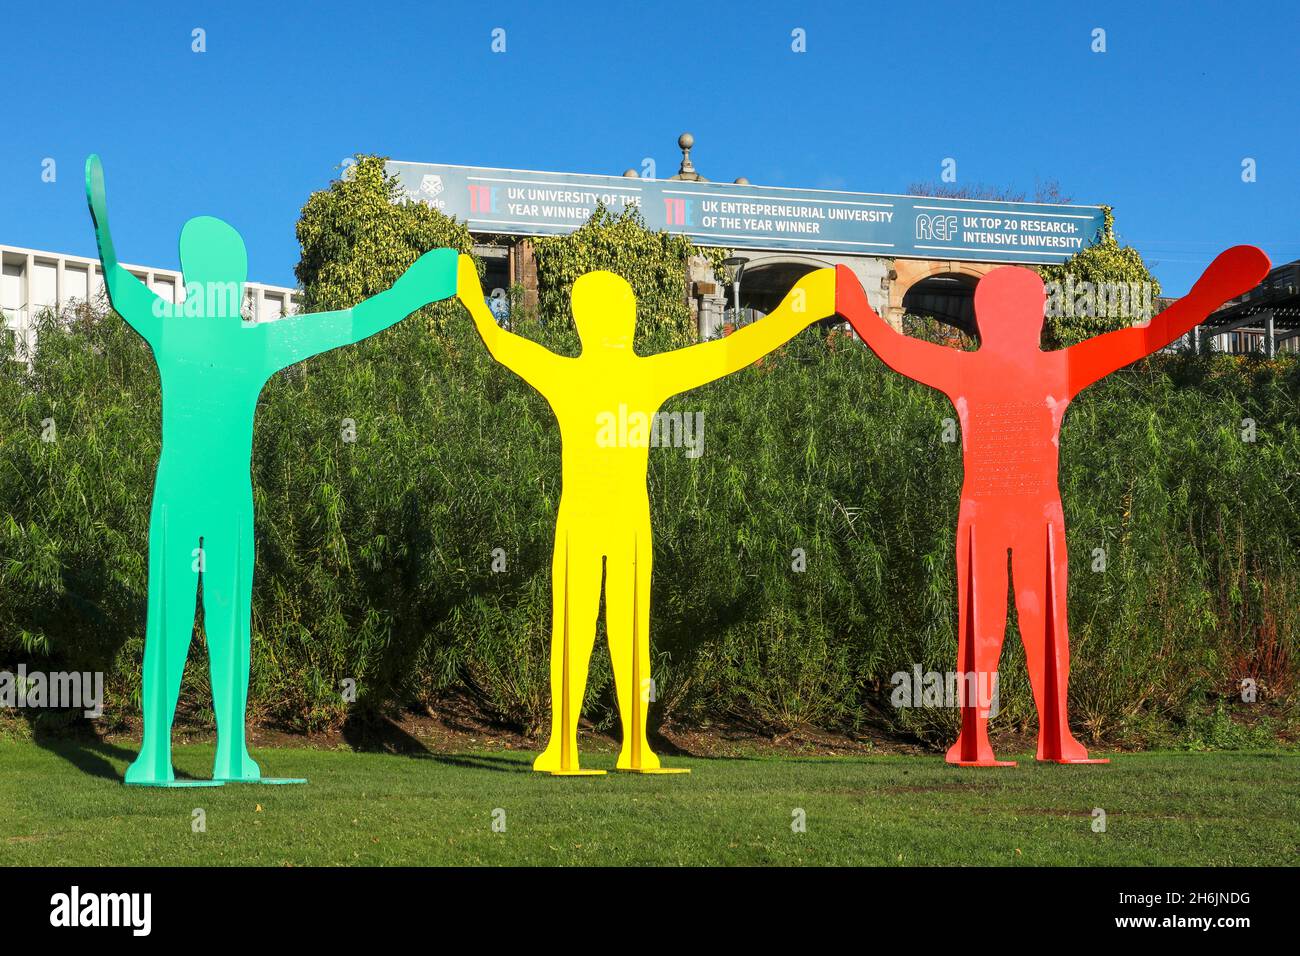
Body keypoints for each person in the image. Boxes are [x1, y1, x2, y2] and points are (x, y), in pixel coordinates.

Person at [86, 154, 459, 786]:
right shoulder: (251, 341)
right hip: (225, 503)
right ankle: (224, 753)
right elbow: (348, 324)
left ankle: (163, 753)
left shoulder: (170, 327)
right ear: (228, 281)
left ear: (188, 276)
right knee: (228, 622)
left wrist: (102, 222)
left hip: (180, 499)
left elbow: (119, 282)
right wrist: (410, 292)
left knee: (171, 619)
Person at [835, 247, 1269, 765]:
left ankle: (1011, 738)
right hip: (1020, 514)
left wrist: (856, 307)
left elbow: (892, 346)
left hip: (996, 515)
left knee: (991, 624)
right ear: (1036, 317)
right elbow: (1150, 336)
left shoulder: (975, 369)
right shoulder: (1057, 367)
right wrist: (1204, 298)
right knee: (1024, 626)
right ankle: (1029, 738)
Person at [458, 254, 835, 773]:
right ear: (625, 319)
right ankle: (626, 746)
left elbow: (501, 345)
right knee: (627, 628)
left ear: (578, 320)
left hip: (586, 519)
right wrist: (796, 311)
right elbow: (732, 351)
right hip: (624, 519)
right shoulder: (645, 374)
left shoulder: (568, 374)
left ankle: (573, 746)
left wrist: (475, 300)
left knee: (577, 625)